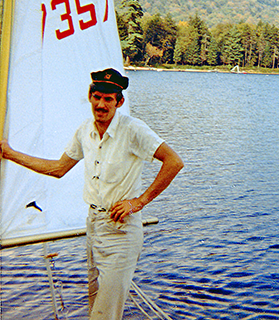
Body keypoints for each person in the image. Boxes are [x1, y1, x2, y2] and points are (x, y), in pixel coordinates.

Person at [0, 68, 184, 320]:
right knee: (95, 304)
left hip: (121, 231)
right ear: (90, 97)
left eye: (109, 99)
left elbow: (173, 162)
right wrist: (10, 153)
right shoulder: (85, 130)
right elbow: (58, 168)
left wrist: (139, 202)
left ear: (119, 102)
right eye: (97, 96)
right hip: (94, 226)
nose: (101, 104)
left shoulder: (133, 130)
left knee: (105, 313)